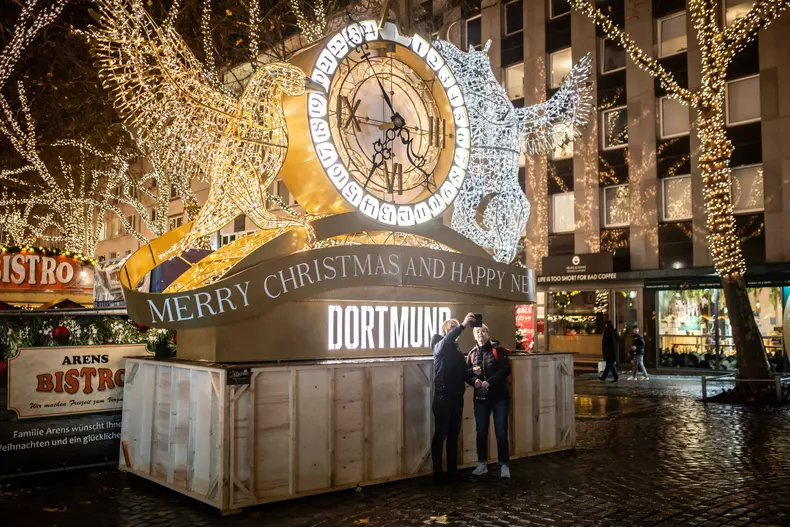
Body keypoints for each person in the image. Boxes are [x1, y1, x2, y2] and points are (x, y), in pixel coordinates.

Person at [430, 312, 476, 485]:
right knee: (441, 434)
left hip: (456, 396)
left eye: (456, 326)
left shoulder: (456, 348)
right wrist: (462, 325)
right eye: (452, 326)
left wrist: (474, 374)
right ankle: (437, 472)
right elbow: (447, 340)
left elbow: (463, 373)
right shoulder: (438, 341)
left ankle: (452, 470)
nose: (455, 328)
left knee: (454, 434)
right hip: (443, 396)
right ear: (445, 330)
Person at [467, 323, 512, 479]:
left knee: (501, 431)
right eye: (478, 332)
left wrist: (489, 382)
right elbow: (467, 374)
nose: (481, 334)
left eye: (484, 331)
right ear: (474, 336)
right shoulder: (472, 354)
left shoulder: (497, 350)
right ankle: (482, 464)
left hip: (500, 397)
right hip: (481, 399)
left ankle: (504, 465)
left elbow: (505, 369)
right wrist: (475, 380)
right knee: (481, 431)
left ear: (488, 334)